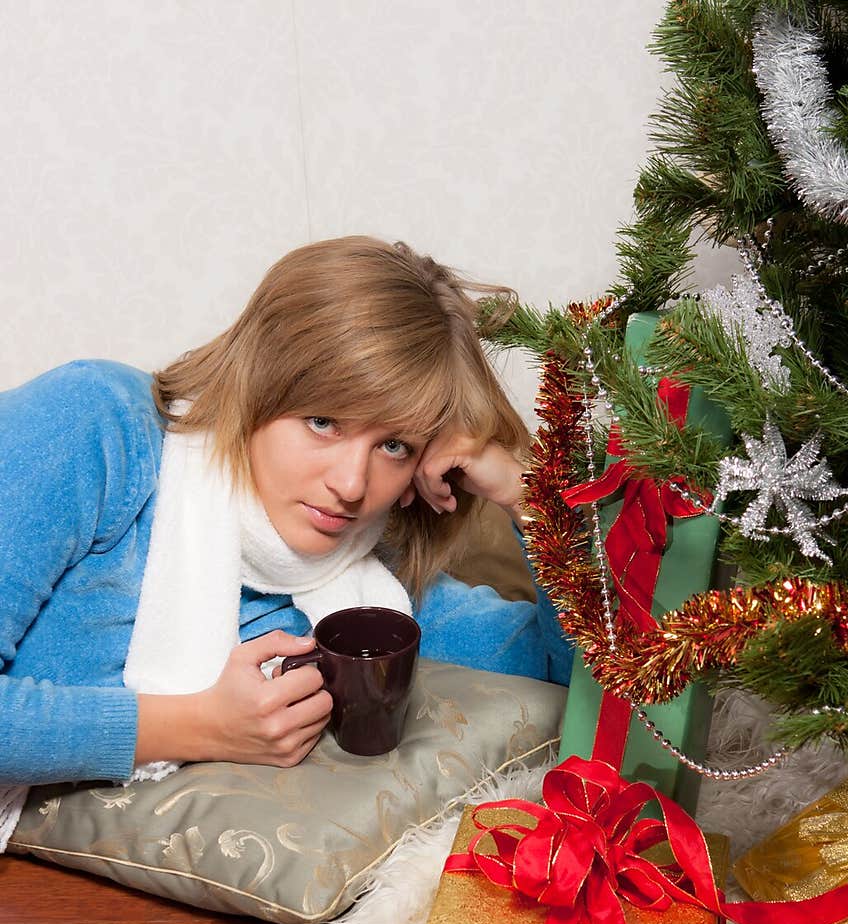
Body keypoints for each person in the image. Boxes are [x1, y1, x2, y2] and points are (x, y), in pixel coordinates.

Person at [0, 235, 572, 826]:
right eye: (323, 422)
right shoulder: (95, 423)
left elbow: (579, 678)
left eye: (394, 445)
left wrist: (531, 495)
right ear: (255, 387)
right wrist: (196, 725)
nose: (351, 484)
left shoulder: (372, 586)